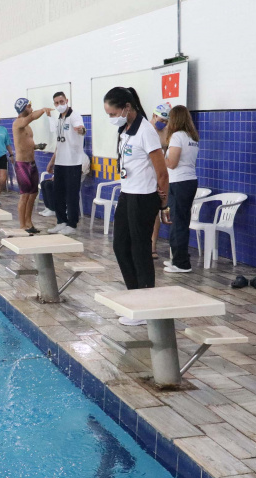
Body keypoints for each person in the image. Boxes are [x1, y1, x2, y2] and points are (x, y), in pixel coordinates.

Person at [103, 87, 170, 326]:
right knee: (120, 246)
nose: (112, 118)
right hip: (127, 193)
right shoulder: (125, 130)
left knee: (140, 251)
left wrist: (163, 205)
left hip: (144, 197)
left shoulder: (146, 131)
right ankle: (135, 299)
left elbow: (162, 172)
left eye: (113, 113)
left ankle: (146, 308)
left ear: (127, 108)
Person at [154, 105, 200, 272]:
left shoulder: (177, 136)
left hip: (179, 182)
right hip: (189, 181)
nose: (167, 123)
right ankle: (179, 258)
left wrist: (158, 156)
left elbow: (172, 164)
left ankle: (181, 263)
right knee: (181, 221)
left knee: (178, 222)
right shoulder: (191, 136)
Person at [45, 92, 87, 235]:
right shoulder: (59, 118)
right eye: (56, 103)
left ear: (67, 100)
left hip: (73, 162)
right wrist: (52, 162)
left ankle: (72, 224)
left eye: (61, 101)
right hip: (60, 162)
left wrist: (81, 130)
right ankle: (61, 221)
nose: (59, 105)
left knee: (71, 195)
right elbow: (58, 141)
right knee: (58, 193)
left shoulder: (75, 116)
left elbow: (81, 129)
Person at [12, 98, 52, 233]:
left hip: (32, 163)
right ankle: (22, 225)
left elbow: (25, 143)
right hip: (22, 165)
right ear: (23, 109)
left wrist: (36, 146)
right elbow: (32, 117)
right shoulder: (18, 123)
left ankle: (29, 223)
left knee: (33, 194)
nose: (31, 108)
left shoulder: (27, 126)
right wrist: (43, 110)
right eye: (29, 106)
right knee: (24, 195)